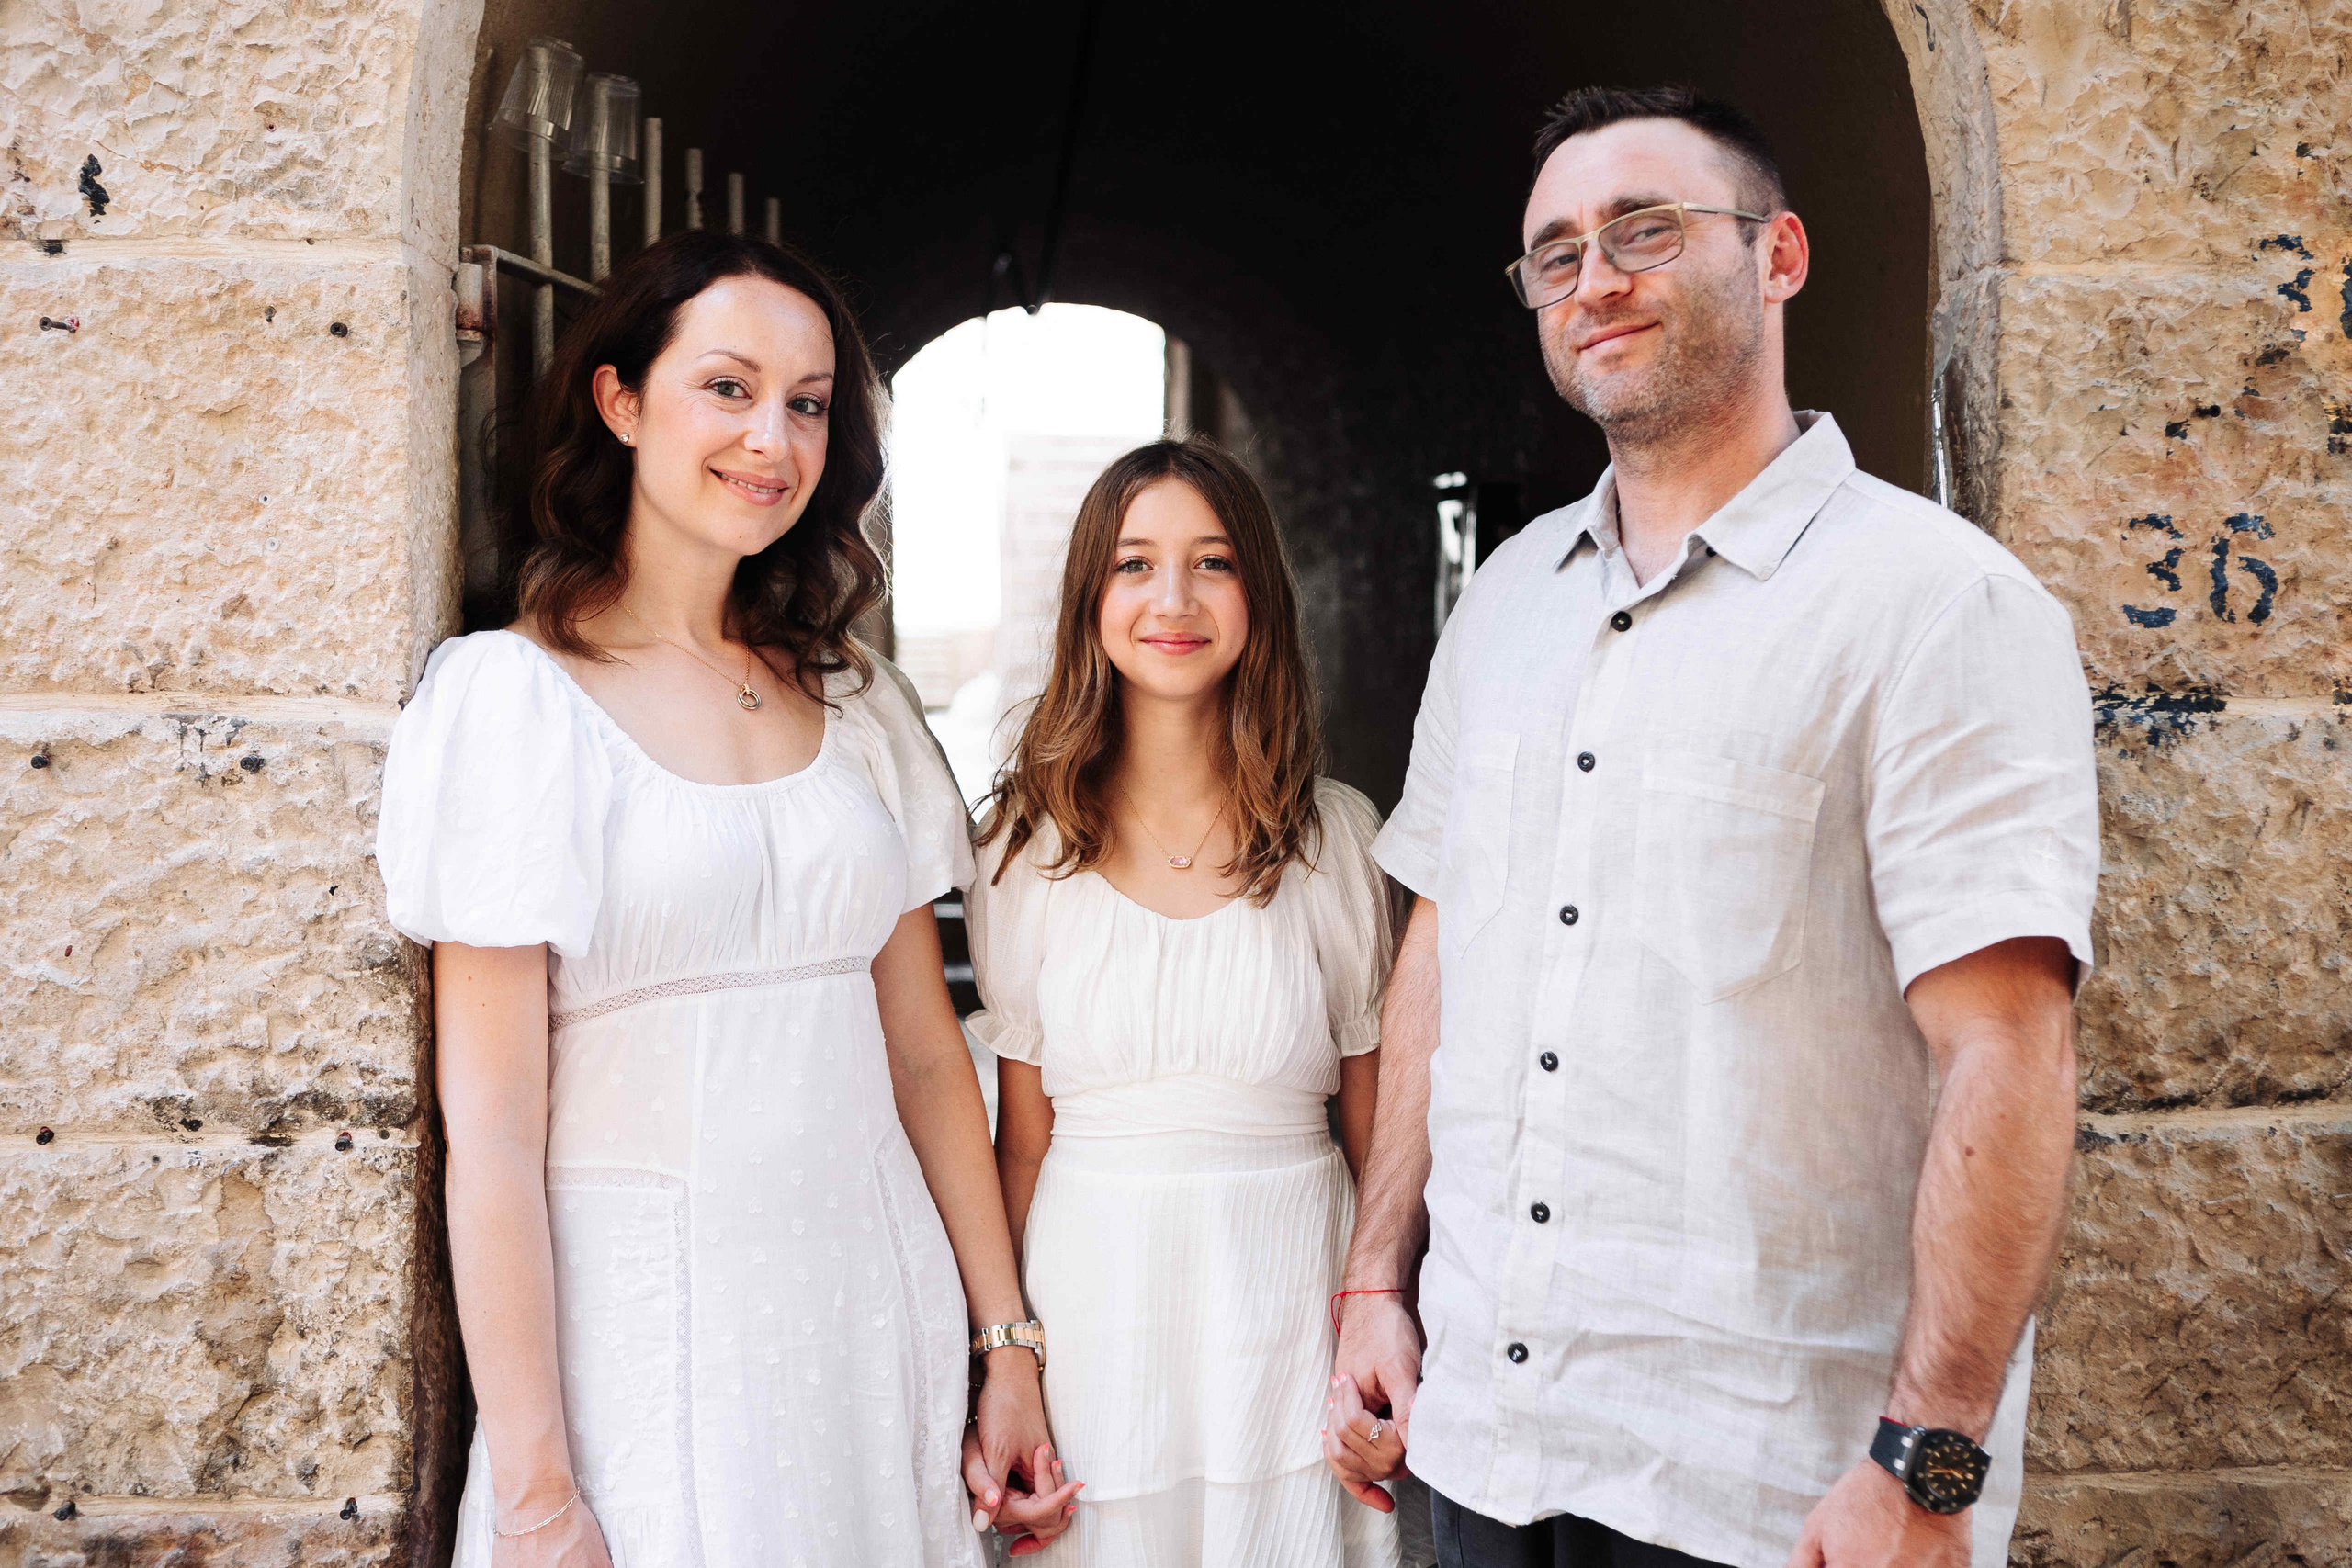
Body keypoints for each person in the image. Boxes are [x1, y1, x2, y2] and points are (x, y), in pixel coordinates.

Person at [1324, 86, 2098, 1568]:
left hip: (1760, 1481)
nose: (1594, 279)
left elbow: (2010, 1048)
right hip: (1484, 1429)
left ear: (1780, 254)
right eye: (1556, 253)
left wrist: (1926, 1468)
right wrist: (1378, 1277)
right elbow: (1443, 938)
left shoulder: (1938, 604)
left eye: (1646, 230)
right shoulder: (1506, 602)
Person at [375, 229, 1076, 1567]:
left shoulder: (852, 695)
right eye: (730, 387)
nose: (774, 438)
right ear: (621, 399)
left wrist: (1006, 1343)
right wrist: (532, 1487)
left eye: (808, 404)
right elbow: (496, 1140)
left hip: (878, 1311)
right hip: (655, 1344)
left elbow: (929, 1055)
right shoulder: (514, 704)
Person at [964, 440, 1406, 1568]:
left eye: (1211, 563)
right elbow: (1024, 1140)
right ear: (1089, 600)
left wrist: (1389, 1314)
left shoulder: (1334, 839)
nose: (1173, 599)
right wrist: (1001, 1361)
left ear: (1257, 591)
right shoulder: (1020, 848)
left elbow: (1375, 1122)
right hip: (1096, 1302)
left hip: (1290, 1305)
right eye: (1133, 565)